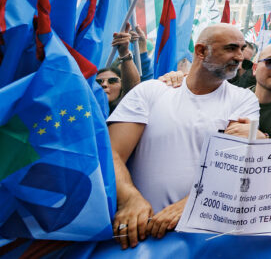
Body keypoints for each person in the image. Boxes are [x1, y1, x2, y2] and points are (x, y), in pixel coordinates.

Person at [108, 24, 259, 249]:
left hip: (201, 241)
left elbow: (235, 165)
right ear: (200, 51)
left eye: (242, 49)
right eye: (231, 49)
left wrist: (192, 204)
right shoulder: (150, 91)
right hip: (138, 236)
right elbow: (112, 152)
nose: (239, 57)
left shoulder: (243, 100)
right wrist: (130, 199)